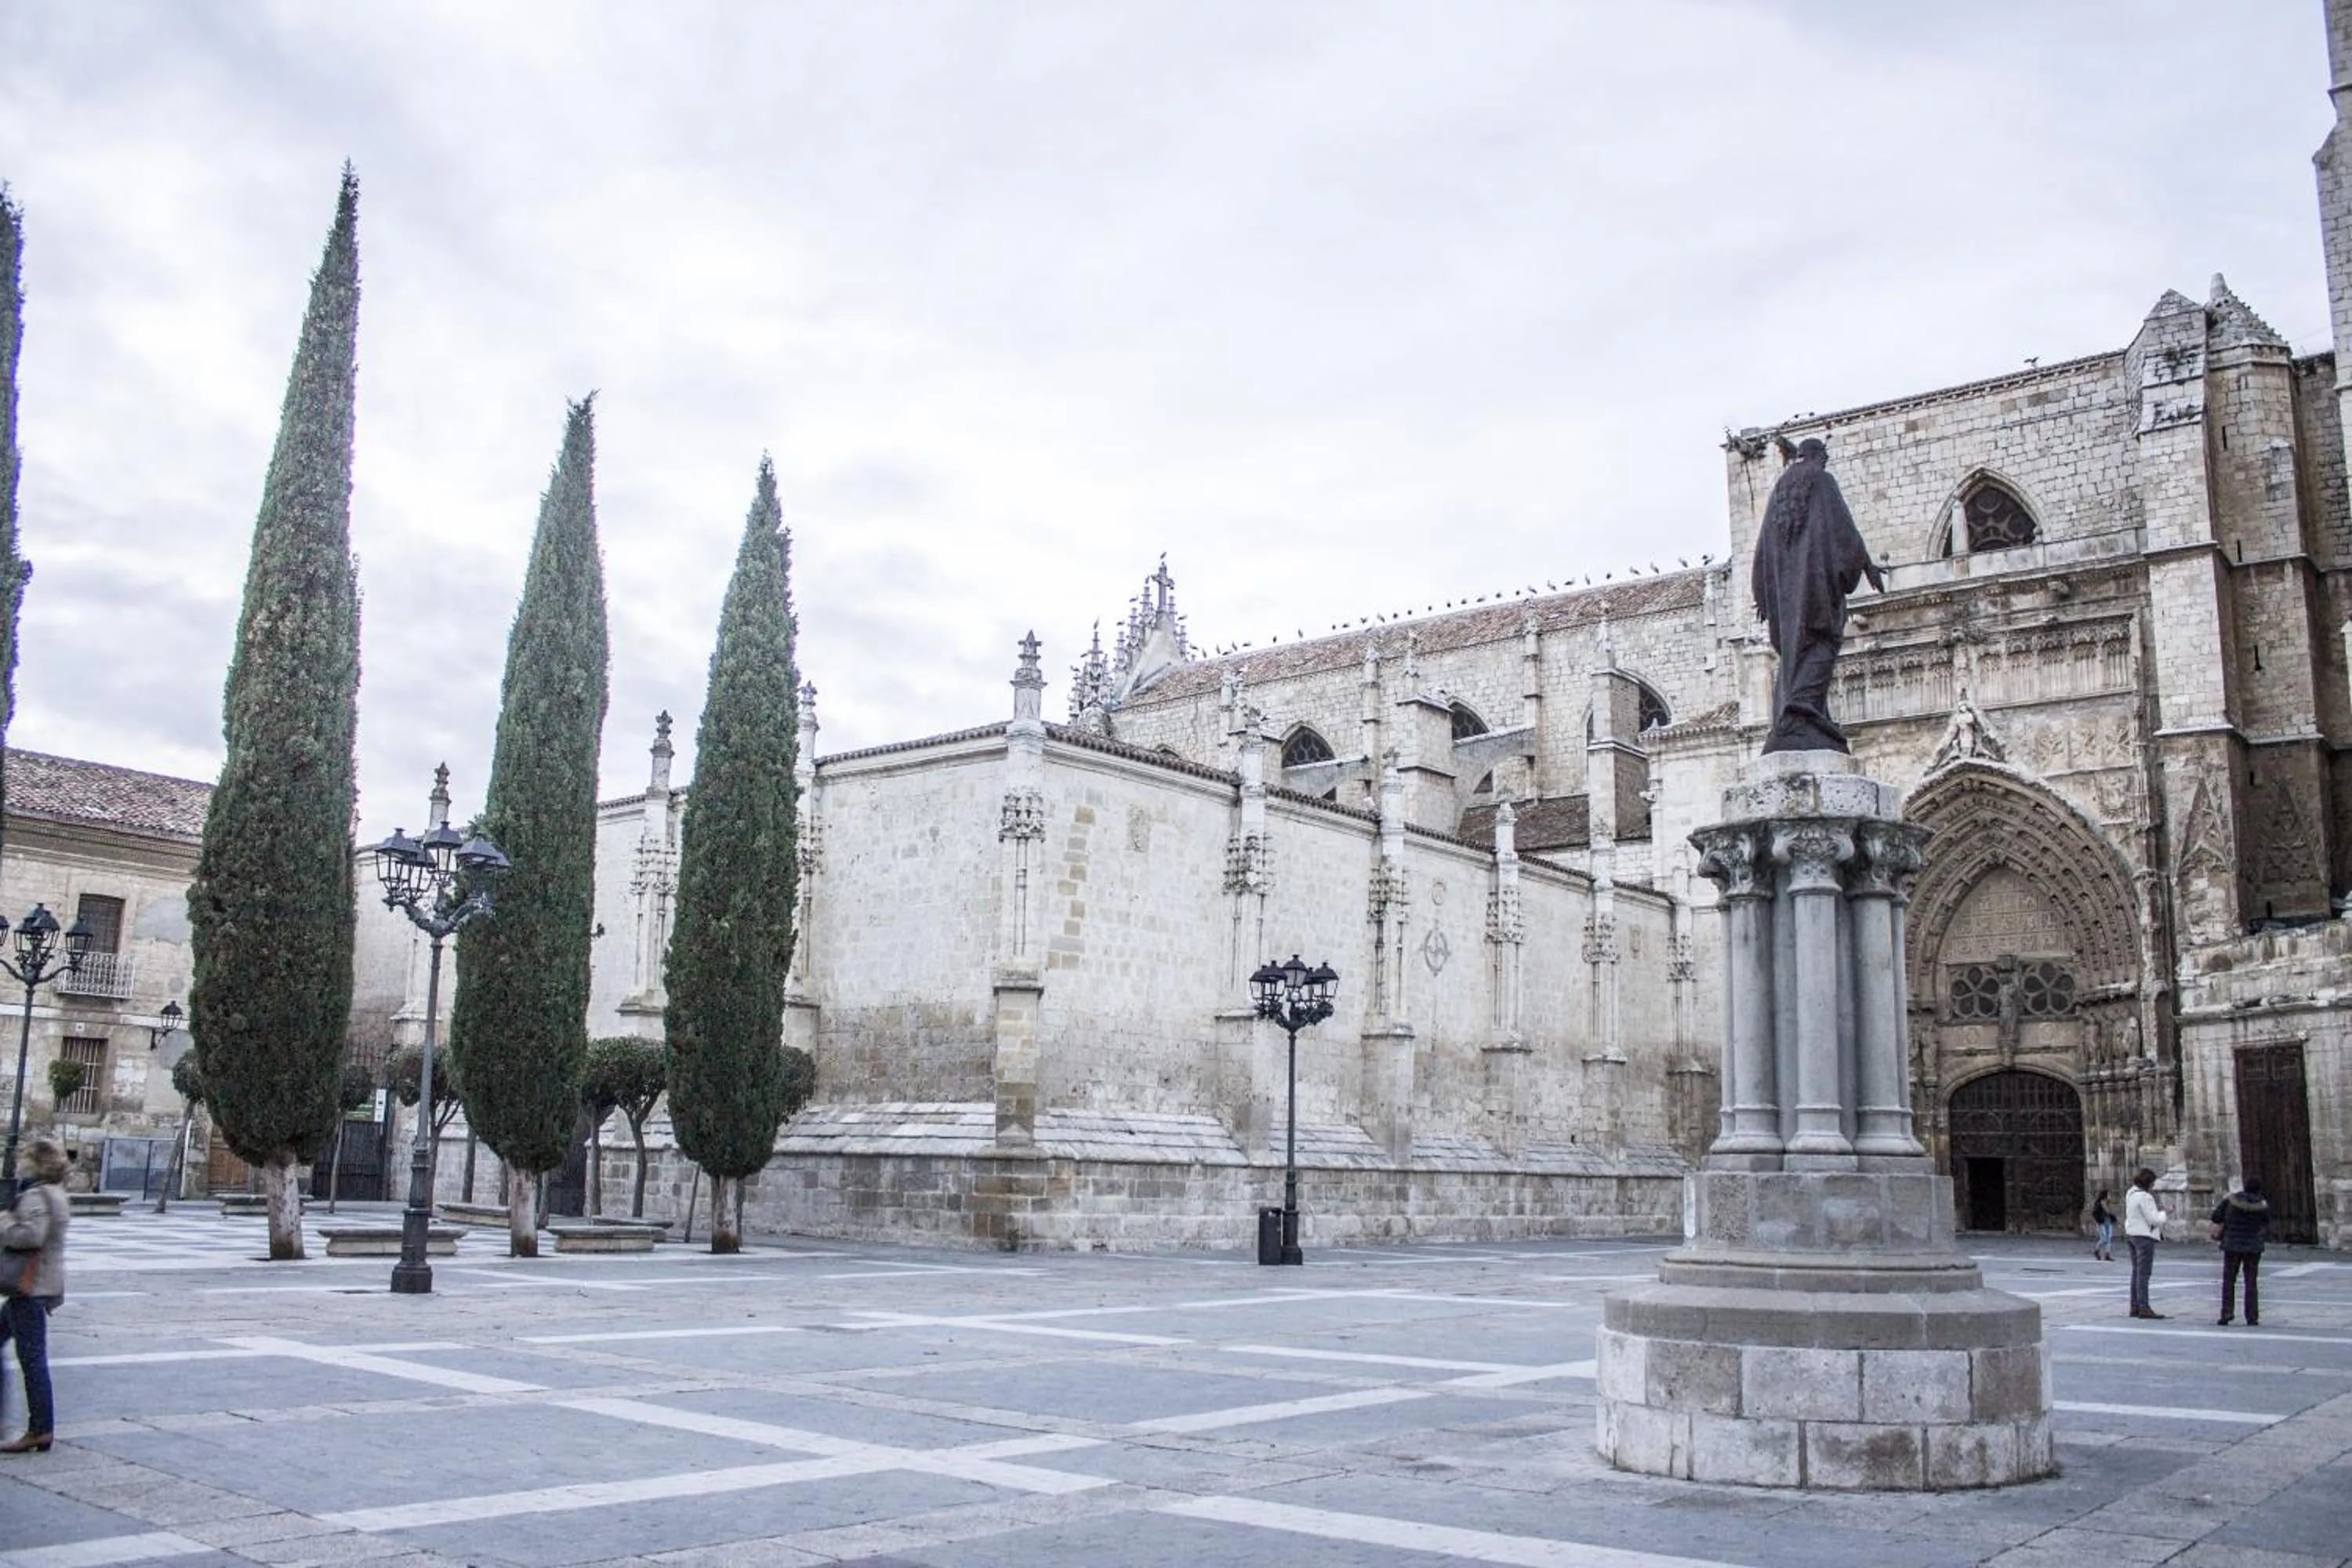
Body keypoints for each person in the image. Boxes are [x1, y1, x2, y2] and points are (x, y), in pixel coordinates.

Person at [1750, 437, 1886, 753]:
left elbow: (1761, 550)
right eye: (1824, 458)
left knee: (1794, 657)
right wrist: (1866, 567)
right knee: (1823, 643)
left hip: (1785, 599)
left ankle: (1798, 716)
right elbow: (1844, 532)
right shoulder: (1822, 481)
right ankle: (1802, 711)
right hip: (1817, 589)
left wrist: (1763, 594)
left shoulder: (1780, 492)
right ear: (1818, 457)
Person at [0, 1135, 70, 1454]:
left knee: (33, 1361)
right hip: (39, 1285)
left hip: (28, 1287)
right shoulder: (56, 1193)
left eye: (24, 1158)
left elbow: (32, 1235)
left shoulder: (36, 1195)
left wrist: (4, 1221)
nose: (19, 1164)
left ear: (35, 1162)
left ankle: (40, 1429)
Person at [2210, 1177, 2271, 1327]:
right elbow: (2267, 1222)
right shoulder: (2262, 1205)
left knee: (2229, 1281)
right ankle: (2252, 1316)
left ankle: (2226, 1313)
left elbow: (2216, 1217)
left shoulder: (2231, 1201)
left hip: (2232, 1245)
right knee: (2251, 1282)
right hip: (2253, 1246)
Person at [2123, 1166, 2169, 1319]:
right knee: (2144, 1273)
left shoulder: (2131, 1193)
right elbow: (2154, 1219)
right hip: (2144, 1236)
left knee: (2136, 1272)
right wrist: (2165, 1213)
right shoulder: (2145, 1197)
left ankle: (2135, 1306)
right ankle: (2144, 1306)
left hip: (2132, 1235)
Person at [2091, 1189, 2115, 1262]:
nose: (2110, 1196)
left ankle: (2107, 1254)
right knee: (2104, 1238)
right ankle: (2096, 1250)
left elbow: (2111, 1211)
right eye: (2109, 1194)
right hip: (2102, 1222)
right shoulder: (2102, 1202)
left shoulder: (2108, 1203)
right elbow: (2108, 1211)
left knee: (2108, 1238)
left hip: (2108, 1221)